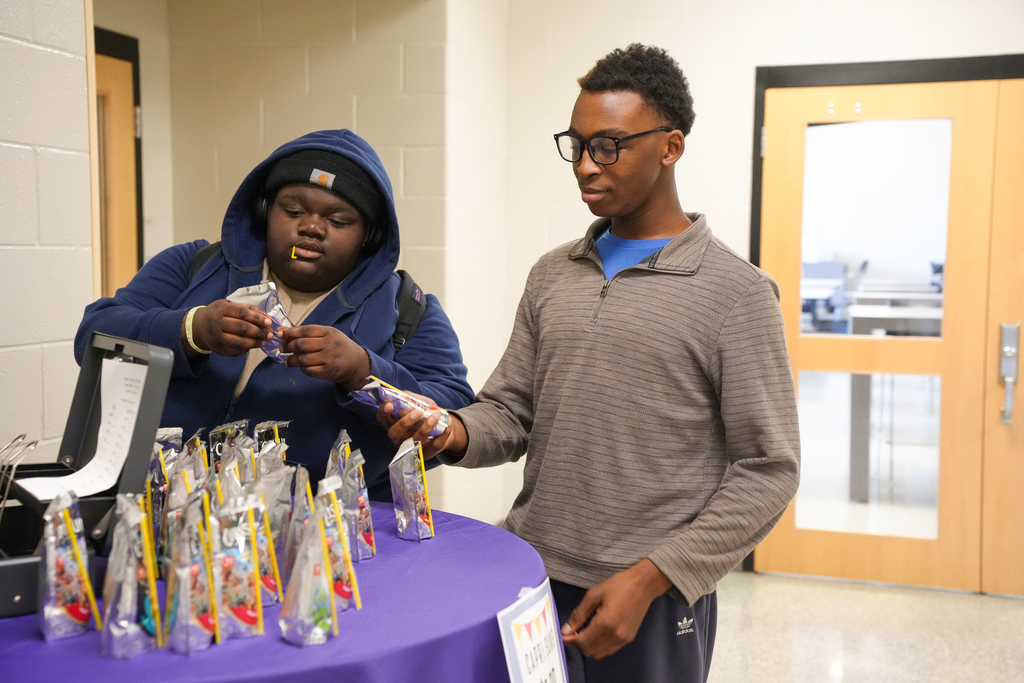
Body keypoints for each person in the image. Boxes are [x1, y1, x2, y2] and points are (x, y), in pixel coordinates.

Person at [380, 44, 800, 682]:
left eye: (608, 147)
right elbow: (511, 412)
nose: (584, 165)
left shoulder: (736, 293)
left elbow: (768, 471)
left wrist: (652, 577)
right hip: (532, 572)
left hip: (651, 597)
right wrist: (450, 429)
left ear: (671, 147)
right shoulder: (554, 273)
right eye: (576, 145)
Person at [76, 129, 474, 499]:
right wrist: (191, 330)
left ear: (369, 235)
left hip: (325, 531)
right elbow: (93, 337)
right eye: (294, 210)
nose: (312, 228)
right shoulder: (192, 265)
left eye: (337, 220)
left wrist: (363, 372)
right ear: (265, 210)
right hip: (167, 510)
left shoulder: (409, 309)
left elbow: (451, 414)